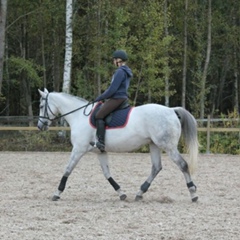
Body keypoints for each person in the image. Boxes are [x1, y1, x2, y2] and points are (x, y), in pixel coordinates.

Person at [92, 50, 133, 152]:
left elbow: (112, 89)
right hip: (121, 97)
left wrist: (100, 97)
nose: (113, 62)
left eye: (114, 59)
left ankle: (101, 142)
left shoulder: (120, 71)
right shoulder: (126, 71)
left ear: (118, 60)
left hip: (117, 98)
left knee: (98, 115)